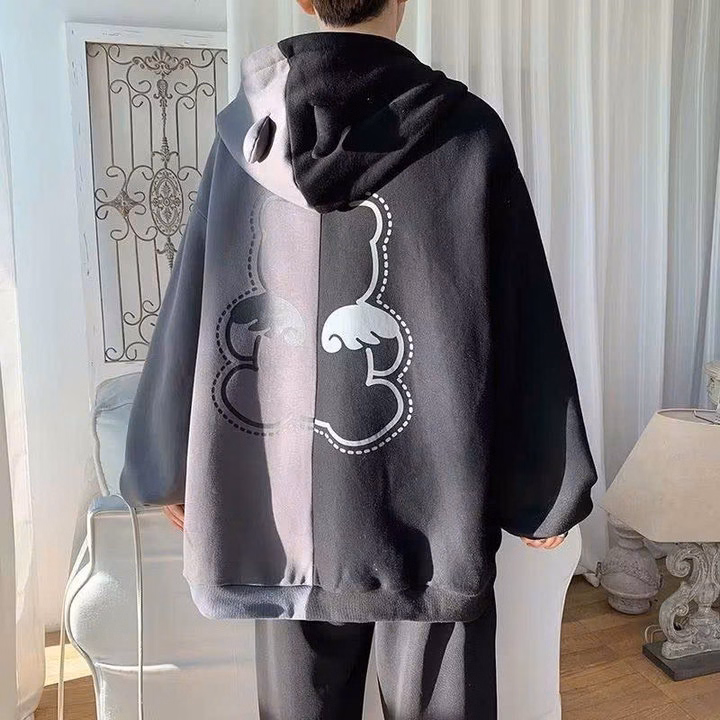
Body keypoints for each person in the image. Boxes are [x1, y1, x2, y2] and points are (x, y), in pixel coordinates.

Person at [120, 0, 598, 717]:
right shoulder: (467, 135)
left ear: (305, 1)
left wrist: (166, 461)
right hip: (435, 506)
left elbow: (198, 290)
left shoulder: (248, 138)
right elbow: (519, 311)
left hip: (285, 511)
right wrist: (547, 485)